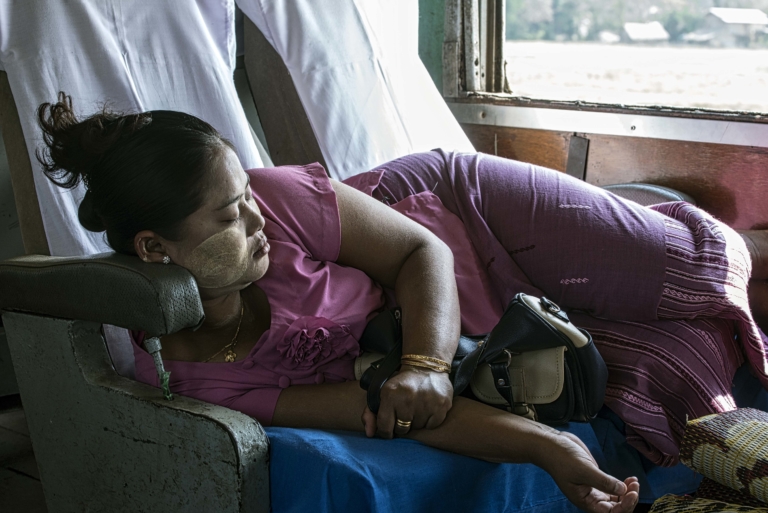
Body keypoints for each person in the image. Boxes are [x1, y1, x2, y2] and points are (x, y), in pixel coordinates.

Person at [34, 94, 768, 512]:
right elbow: (388, 407)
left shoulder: (278, 201)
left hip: (453, 216)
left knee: (689, 266)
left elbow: (423, 252)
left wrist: (425, 362)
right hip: (483, 322)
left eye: (247, 193)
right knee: (667, 353)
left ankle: (747, 242)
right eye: (229, 214)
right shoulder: (203, 380)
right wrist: (555, 449)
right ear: (154, 248)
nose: (256, 216)